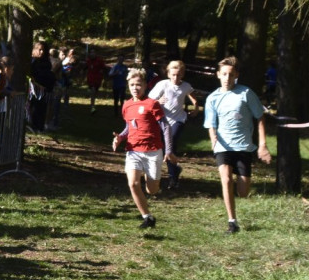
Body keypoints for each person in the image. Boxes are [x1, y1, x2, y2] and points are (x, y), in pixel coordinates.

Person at [203, 56, 271, 234]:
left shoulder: (246, 93)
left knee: (242, 192)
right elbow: (211, 123)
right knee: (225, 180)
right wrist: (213, 139)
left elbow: (260, 118)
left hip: (243, 147)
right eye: (224, 74)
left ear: (236, 76)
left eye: (231, 75)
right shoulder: (212, 98)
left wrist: (262, 145)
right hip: (223, 146)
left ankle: (236, 207)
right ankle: (232, 222)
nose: (227, 78)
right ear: (218, 75)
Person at [112, 68, 173, 229]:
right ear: (128, 86)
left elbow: (165, 127)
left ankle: (151, 178)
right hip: (133, 150)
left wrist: (168, 150)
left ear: (145, 85)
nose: (135, 88)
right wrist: (120, 138)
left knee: (152, 190)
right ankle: (147, 217)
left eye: (138, 84)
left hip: (153, 151)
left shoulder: (152, 104)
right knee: (132, 184)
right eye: (132, 85)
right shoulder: (126, 105)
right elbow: (129, 127)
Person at [148, 60, 199, 190]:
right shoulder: (162, 84)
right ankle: (174, 172)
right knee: (166, 148)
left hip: (179, 120)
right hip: (162, 121)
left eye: (179, 75)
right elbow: (150, 100)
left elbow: (193, 97)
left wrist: (196, 107)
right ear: (169, 73)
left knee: (171, 144)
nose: (176, 78)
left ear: (182, 75)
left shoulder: (186, 86)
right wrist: (158, 101)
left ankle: (173, 178)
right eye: (173, 74)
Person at [28, 41, 55, 131]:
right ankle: (32, 126)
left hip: (44, 90)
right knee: (33, 108)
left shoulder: (46, 63)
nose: (41, 52)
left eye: (43, 50)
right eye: (39, 50)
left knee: (41, 109)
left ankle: (39, 127)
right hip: (33, 89)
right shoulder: (31, 62)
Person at [85, 49, 105, 113]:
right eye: (91, 53)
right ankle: (92, 107)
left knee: (95, 92)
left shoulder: (99, 60)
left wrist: (102, 74)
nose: (92, 54)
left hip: (97, 80)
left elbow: (103, 68)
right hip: (91, 79)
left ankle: (92, 104)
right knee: (93, 92)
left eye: (93, 52)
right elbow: (85, 68)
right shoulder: (88, 61)